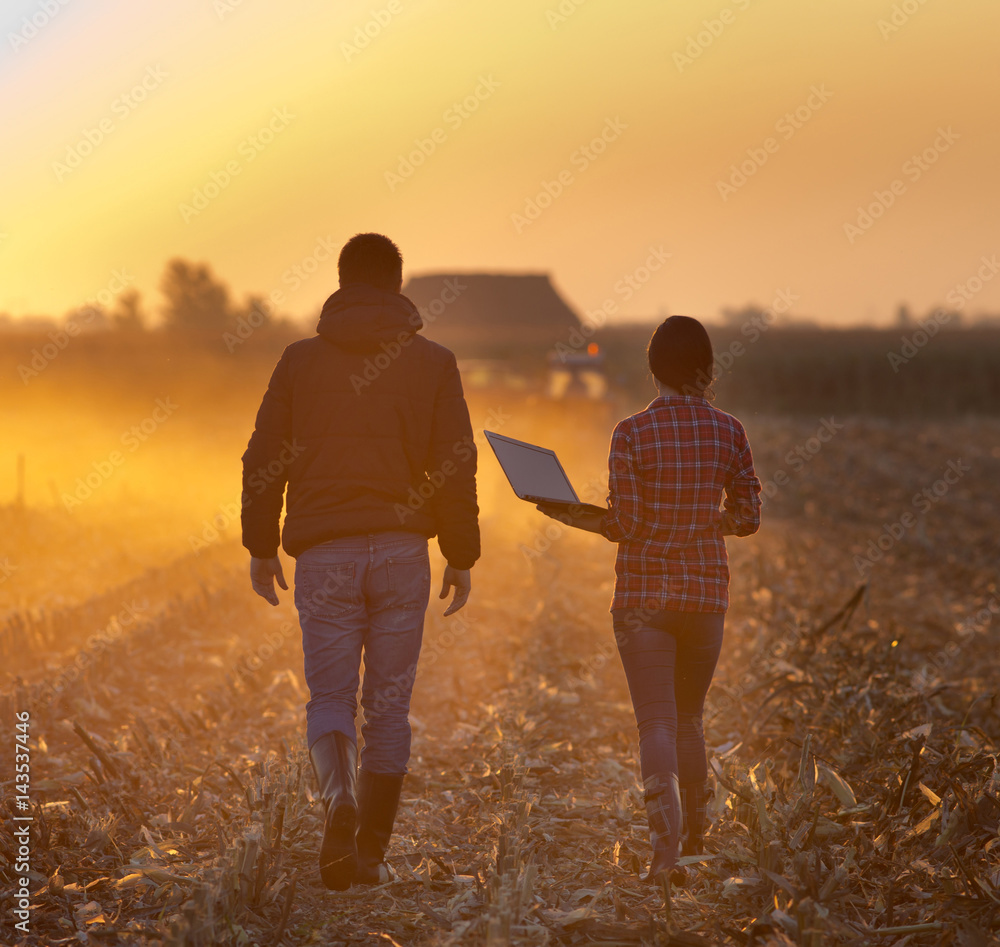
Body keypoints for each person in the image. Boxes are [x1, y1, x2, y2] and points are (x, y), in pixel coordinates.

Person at [241, 233, 480, 890]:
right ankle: (370, 851)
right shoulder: (435, 362)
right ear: (399, 287)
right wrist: (461, 552)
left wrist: (261, 543)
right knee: (389, 707)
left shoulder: (299, 361)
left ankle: (337, 802)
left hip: (325, 553)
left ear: (343, 282)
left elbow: (264, 457)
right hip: (404, 554)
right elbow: (455, 461)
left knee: (330, 697)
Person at [537, 315, 761, 883]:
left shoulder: (631, 432)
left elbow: (629, 524)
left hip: (643, 598)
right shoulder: (730, 431)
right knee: (690, 718)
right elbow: (749, 517)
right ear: (707, 368)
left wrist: (570, 513)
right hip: (706, 596)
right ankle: (696, 839)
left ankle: (664, 856)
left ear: (653, 367)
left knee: (654, 724)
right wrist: (705, 522)